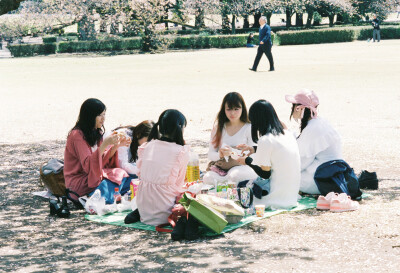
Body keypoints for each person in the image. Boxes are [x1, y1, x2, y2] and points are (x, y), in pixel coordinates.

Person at [127, 109, 190, 226]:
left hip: (144, 210)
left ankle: (138, 212)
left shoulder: (147, 146)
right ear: (180, 128)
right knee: (191, 195)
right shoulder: (181, 152)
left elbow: (141, 175)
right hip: (166, 214)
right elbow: (178, 185)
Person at [64, 98, 132, 204]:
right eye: (100, 115)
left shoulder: (96, 132)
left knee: (130, 178)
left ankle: (104, 194)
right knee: (119, 175)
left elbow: (102, 161)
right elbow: (87, 166)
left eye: (104, 114)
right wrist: (105, 144)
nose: (103, 119)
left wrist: (115, 146)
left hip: (95, 175)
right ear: (90, 116)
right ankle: (97, 197)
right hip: (80, 180)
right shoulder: (77, 135)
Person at [236, 100, 301, 209]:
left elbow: (265, 174)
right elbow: (277, 151)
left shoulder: (266, 140)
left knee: (241, 187)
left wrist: (246, 161)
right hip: (292, 195)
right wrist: (253, 149)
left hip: (277, 198)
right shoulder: (287, 134)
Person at [285, 89, 343, 194]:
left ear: (299, 108)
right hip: (334, 174)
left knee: (283, 178)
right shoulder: (319, 122)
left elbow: (300, 163)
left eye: (292, 106)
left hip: (322, 178)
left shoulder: (312, 129)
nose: (291, 108)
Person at [203, 92, 257, 187]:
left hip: (242, 167)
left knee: (234, 175)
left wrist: (235, 153)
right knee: (207, 177)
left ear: (242, 109)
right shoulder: (218, 127)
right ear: (224, 110)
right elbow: (211, 154)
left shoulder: (249, 127)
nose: (232, 113)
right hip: (222, 168)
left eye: (236, 109)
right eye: (229, 109)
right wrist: (221, 154)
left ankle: (227, 187)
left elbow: (254, 155)